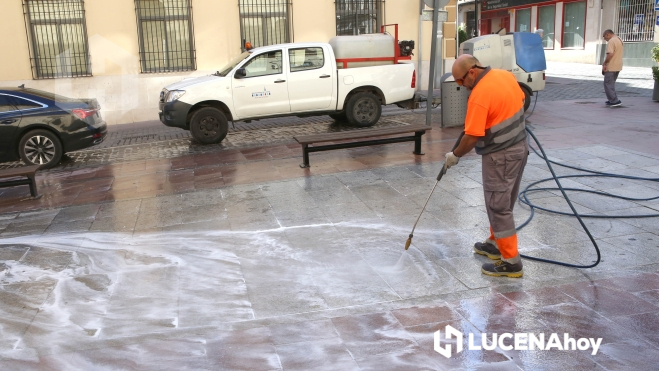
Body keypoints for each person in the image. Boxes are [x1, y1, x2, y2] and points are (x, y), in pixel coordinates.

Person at [444, 54, 528, 278]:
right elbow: (519, 100)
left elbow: (471, 136)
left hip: (500, 155)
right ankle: (496, 242)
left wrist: (455, 155)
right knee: (503, 200)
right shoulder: (505, 76)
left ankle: (511, 262)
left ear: (472, 71)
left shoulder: (479, 95)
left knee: (498, 205)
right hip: (520, 147)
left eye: (461, 81)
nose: (461, 86)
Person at [602, 29, 623, 107]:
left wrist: (605, 63)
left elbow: (610, 54)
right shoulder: (619, 39)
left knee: (608, 83)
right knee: (611, 83)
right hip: (618, 65)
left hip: (611, 66)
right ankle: (612, 99)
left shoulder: (611, 41)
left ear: (608, 34)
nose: (605, 39)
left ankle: (614, 101)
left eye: (605, 37)